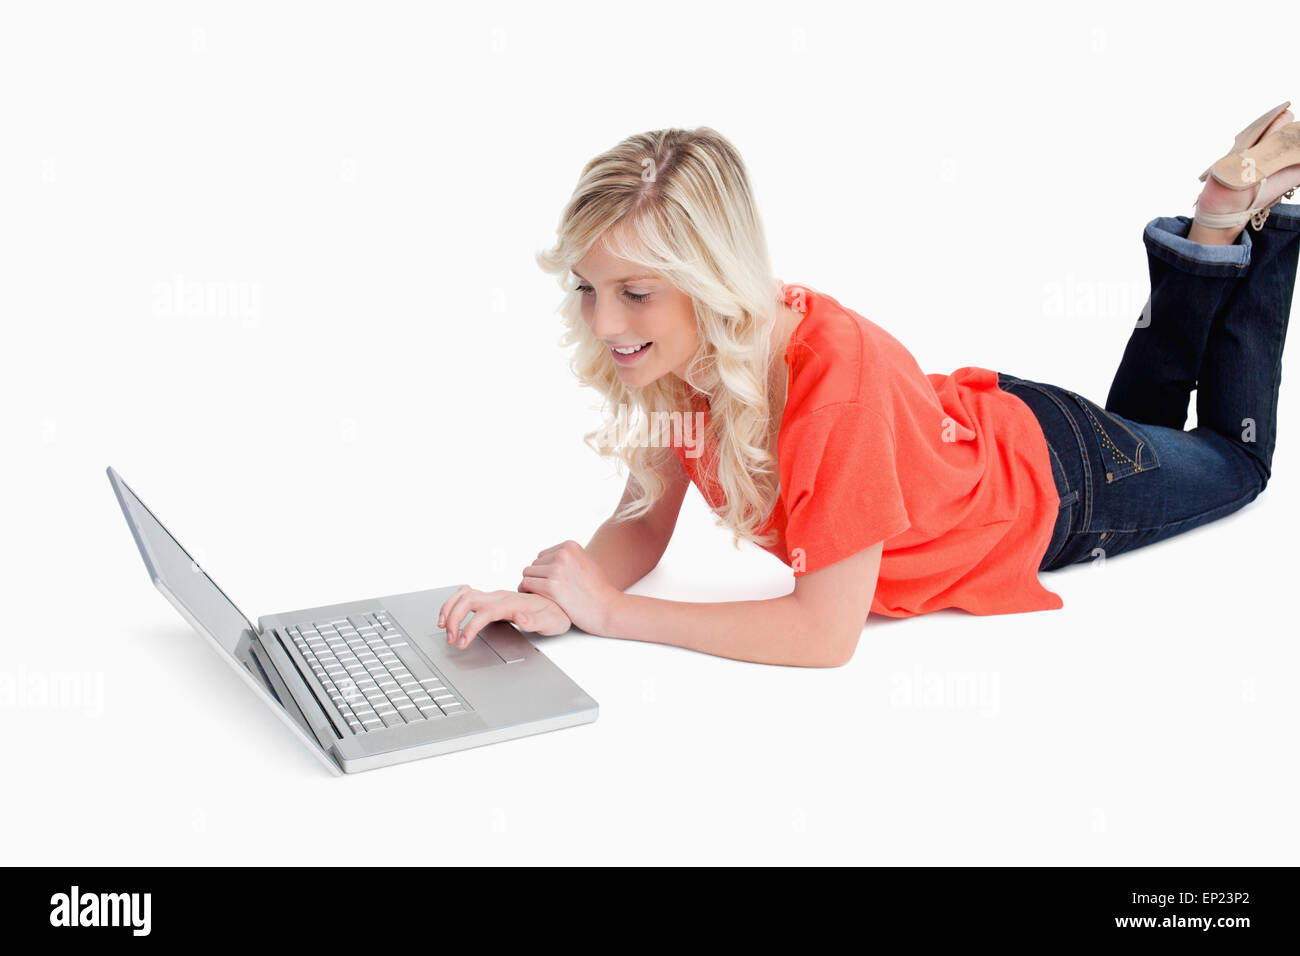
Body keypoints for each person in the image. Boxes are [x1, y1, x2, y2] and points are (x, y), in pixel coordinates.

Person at [437, 106, 1300, 667]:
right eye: (587, 288)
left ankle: (1268, 219)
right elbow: (642, 519)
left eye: (634, 294)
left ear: (711, 278)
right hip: (983, 428)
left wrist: (614, 616)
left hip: (1059, 487)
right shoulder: (679, 358)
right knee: (1144, 427)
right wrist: (558, 598)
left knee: (1233, 462)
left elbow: (824, 633)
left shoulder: (832, 383)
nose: (602, 323)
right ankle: (1217, 223)